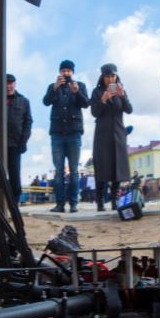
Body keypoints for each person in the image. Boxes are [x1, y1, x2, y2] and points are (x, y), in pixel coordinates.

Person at [44, 59, 90, 213]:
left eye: (68, 71)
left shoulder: (80, 86)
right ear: (59, 72)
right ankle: (59, 204)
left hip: (74, 133)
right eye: (63, 70)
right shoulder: (53, 86)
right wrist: (55, 88)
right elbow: (46, 101)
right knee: (58, 171)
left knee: (74, 171)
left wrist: (77, 92)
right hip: (57, 134)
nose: (66, 73)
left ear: (73, 72)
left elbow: (86, 104)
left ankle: (74, 204)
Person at [90, 63, 134, 211]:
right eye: (107, 76)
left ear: (116, 76)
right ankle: (100, 202)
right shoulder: (96, 92)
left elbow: (129, 110)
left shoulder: (120, 90)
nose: (110, 79)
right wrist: (103, 100)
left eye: (112, 76)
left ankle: (115, 201)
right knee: (102, 168)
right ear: (102, 77)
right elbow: (94, 113)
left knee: (117, 168)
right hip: (102, 134)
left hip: (118, 134)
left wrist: (122, 96)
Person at [4, 74, 33, 204]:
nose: (9, 86)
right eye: (6, 83)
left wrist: (23, 141)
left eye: (11, 83)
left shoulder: (23, 101)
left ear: (15, 84)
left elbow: (28, 122)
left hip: (15, 144)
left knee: (14, 173)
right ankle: (0, 200)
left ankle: (14, 201)